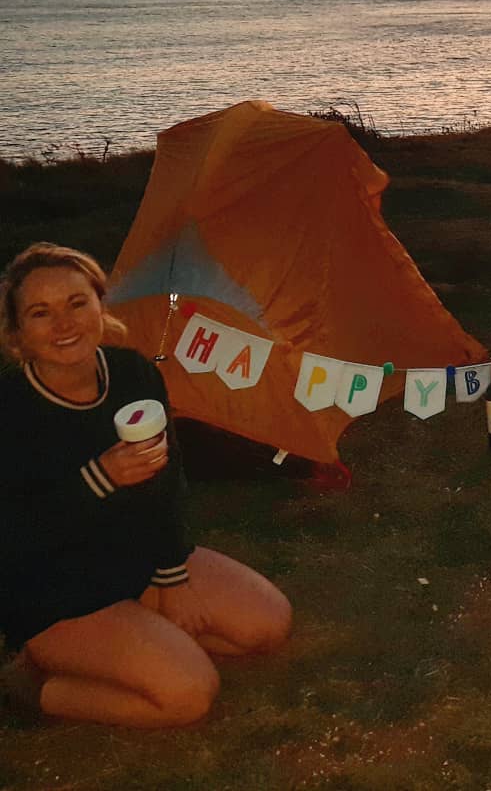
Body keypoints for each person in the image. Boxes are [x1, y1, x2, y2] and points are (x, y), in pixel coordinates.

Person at [0, 243, 292, 727]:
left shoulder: (134, 373)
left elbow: (167, 480)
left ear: (99, 304)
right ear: (18, 336)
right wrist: (100, 478)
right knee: (189, 694)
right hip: (53, 588)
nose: (64, 324)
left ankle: (142, 637)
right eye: (40, 313)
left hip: (133, 559)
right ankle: (35, 685)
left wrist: (172, 574)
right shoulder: (11, 410)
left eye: (77, 303)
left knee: (268, 625)